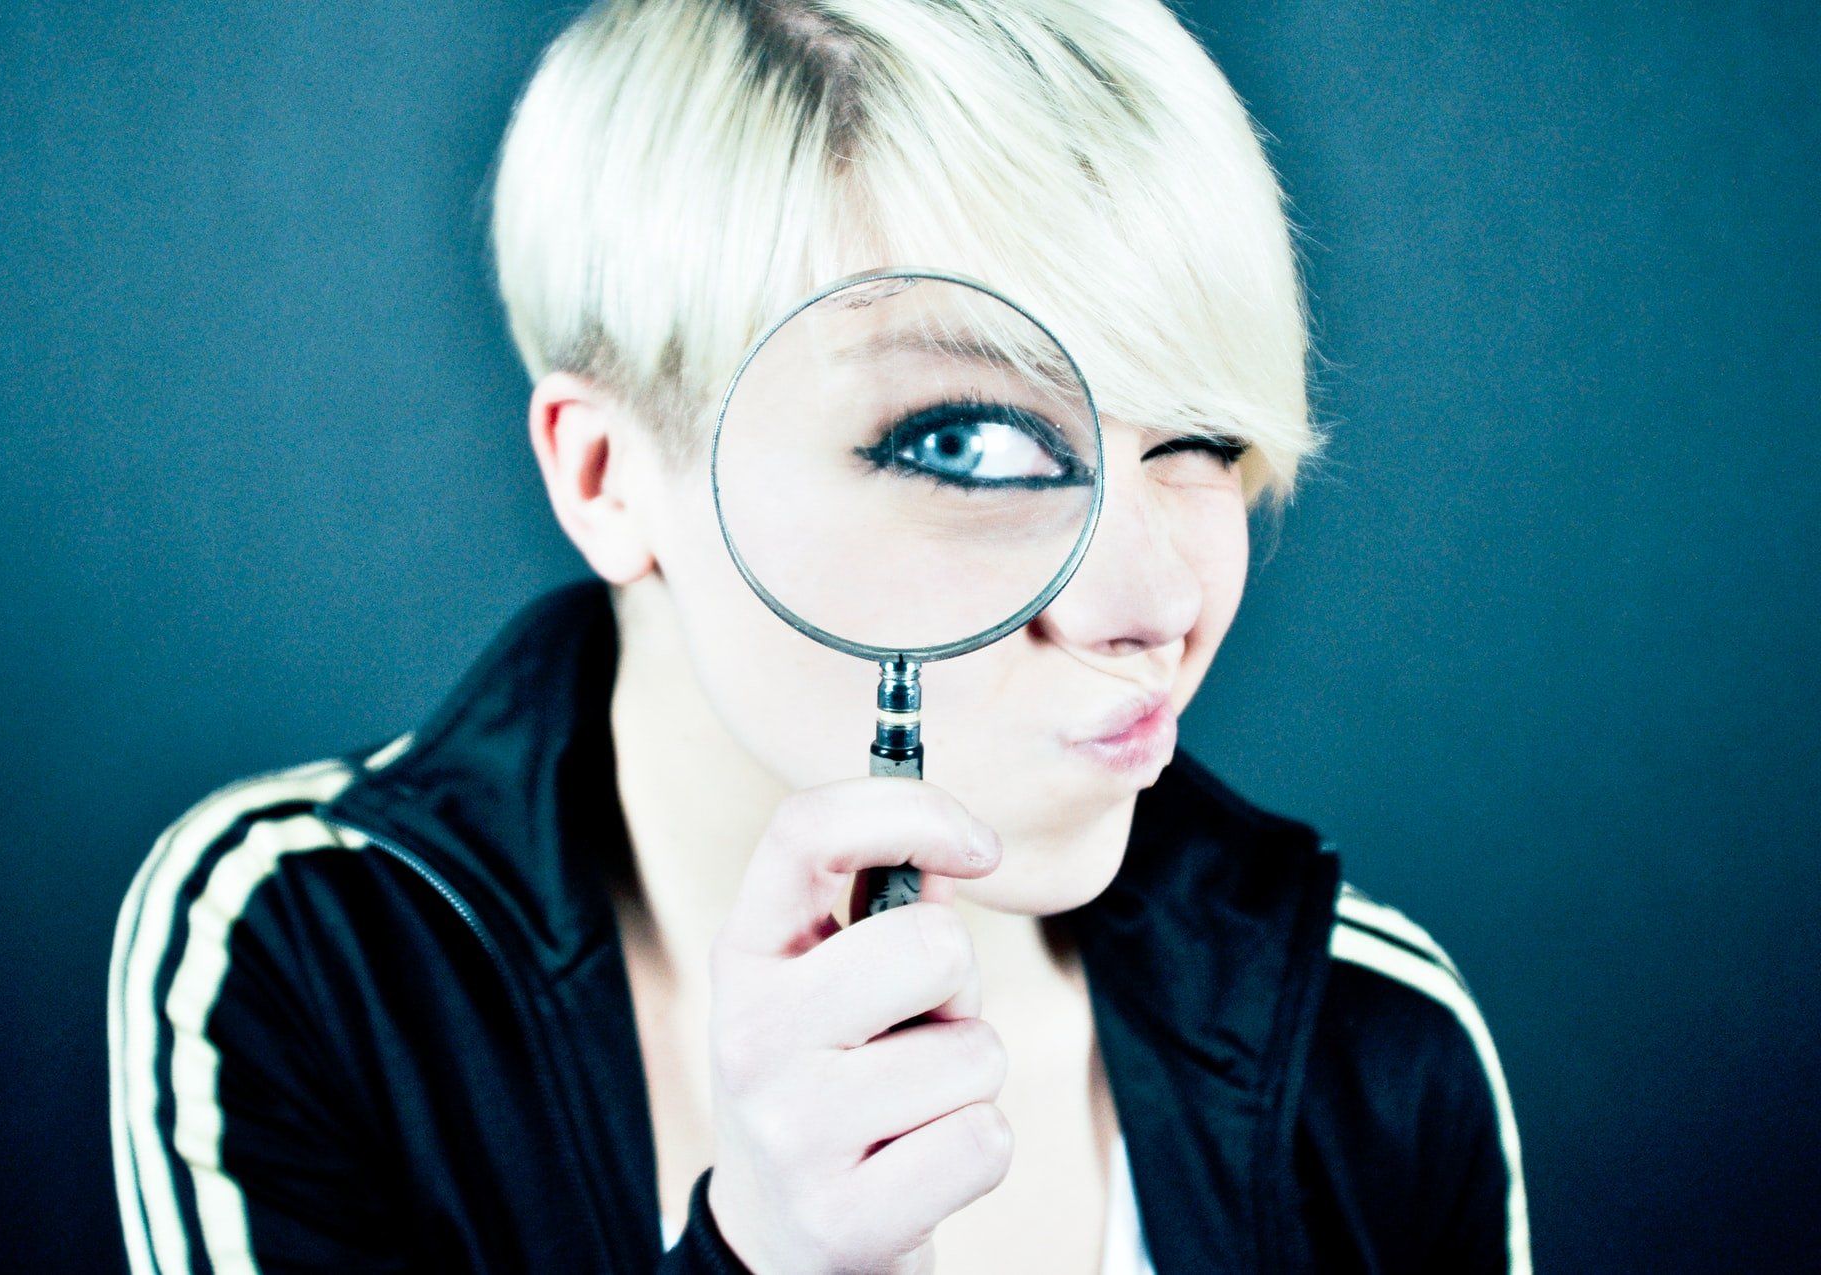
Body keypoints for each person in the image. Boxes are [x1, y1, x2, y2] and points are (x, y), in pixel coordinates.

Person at [108, 1, 1531, 1271]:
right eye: (967, 441)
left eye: (1204, 437)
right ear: (607, 478)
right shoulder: (311, 959)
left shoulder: (1371, 1046)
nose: (1152, 607)